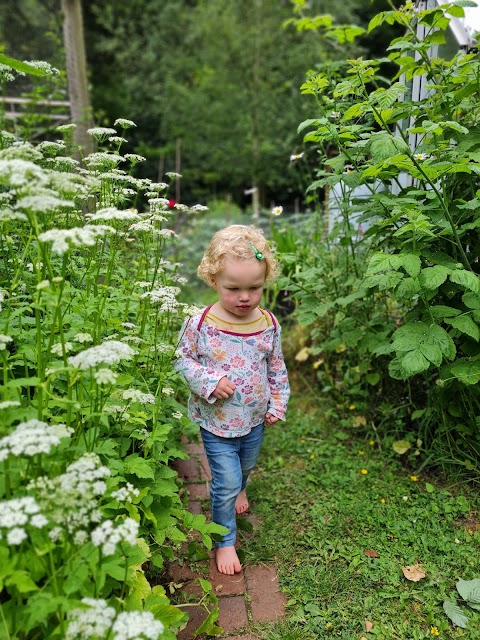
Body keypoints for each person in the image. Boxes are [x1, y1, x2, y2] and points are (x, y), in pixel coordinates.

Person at [175, 224, 290, 575]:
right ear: (213, 281)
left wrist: (277, 402)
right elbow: (182, 359)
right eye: (233, 288)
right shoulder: (201, 323)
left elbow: (276, 366)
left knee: (246, 467)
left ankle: (242, 489)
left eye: (254, 288)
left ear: (265, 280)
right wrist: (209, 380)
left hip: (254, 419)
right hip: (217, 422)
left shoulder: (268, 323)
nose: (245, 297)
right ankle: (225, 540)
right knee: (223, 482)